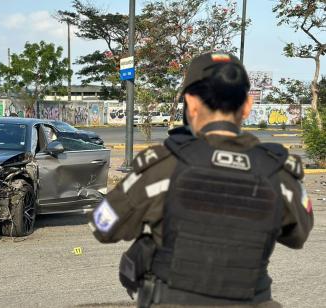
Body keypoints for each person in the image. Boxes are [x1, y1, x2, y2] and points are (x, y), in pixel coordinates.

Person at [88, 52, 313, 307]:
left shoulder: (163, 166)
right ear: (248, 106)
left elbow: (102, 226)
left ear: (191, 103)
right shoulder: (278, 173)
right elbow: (299, 235)